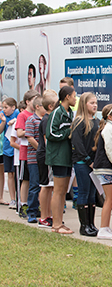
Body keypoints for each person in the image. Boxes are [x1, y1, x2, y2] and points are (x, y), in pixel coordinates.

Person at [46, 86, 76, 234]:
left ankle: (60, 222)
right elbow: (51, 134)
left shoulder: (70, 113)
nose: (75, 99)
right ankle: (56, 224)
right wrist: (68, 133)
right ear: (66, 97)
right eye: (74, 96)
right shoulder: (56, 113)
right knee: (57, 191)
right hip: (57, 157)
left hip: (67, 157)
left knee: (64, 190)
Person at [93, 103, 112, 240]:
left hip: (105, 168)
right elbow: (111, 150)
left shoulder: (109, 128)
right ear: (109, 116)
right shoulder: (109, 129)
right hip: (105, 168)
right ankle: (103, 229)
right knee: (110, 198)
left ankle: (106, 227)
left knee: (111, 198)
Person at [71, 92, 99, 236]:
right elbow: (77, 144)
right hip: (83, 163)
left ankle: (91, 224)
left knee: (92, 194)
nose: (95, 105)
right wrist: (88, 161)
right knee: (84, 192)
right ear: (84, 104)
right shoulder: (79, 122)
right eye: (91, 103)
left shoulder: (97, 121)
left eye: (95, 103)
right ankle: (84, 226)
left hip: (94, 164)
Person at [15, 89, 40, 218]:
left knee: (36, 181)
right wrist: (31, 130)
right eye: (34, 99)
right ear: (28, 101)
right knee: (26, 179)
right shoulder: (23, 115)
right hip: (26, 151)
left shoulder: (38, 115)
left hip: (37, 154)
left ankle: (36, 204)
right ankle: (23, 204)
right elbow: (19, 133)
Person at [37, 90, 58, 228]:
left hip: (47, 156)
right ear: (50, 106)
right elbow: (47, 141)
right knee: (46, 186)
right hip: (46, 156)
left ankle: (48, 215)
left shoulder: (49, 119)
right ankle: (44, 216)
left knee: (50, 187)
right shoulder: (46, 120)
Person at [25, 95, 46, 223]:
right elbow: (30, 137)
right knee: (34, 185)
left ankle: (43, 211)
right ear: (37, 107)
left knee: (45, 185)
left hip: (45, 159)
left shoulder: (46, 119)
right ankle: (31, 212)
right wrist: (41, 149)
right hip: (34, 159)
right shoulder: (31, 120)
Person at [60, 76, 79, 209]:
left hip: (75, 142)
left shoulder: (76, 102)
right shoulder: (60, 105)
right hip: (64, 145)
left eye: (63, 89)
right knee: (66, 173)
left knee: (75, 171)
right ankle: (63, 198)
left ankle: (76, 197)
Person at [0, 97, 19, 208]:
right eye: (3, 107)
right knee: (10, 174)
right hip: (7, 149)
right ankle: (12, 199)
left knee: (17, 174)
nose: (4, 110)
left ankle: (19, 197)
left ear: (13, 107)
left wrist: (15, 121)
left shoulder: (17, 113)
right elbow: (0, 131)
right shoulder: (2, 115)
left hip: (16, 148)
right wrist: (3, 122)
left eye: (6, 107)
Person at [10, 101, 26, 212]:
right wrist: (22, 149)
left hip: (28, 157)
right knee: (20, 181)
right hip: (19, 158)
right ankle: (19, 206)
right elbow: (12, 142)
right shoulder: (17, 122)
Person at [35, 31, 50, 95]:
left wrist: (47, 39)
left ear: (45, 65)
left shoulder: (47, 80)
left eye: (42, 62)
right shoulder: (37, 86)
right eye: (39, 62)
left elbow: (50, 58)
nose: (40, 64)